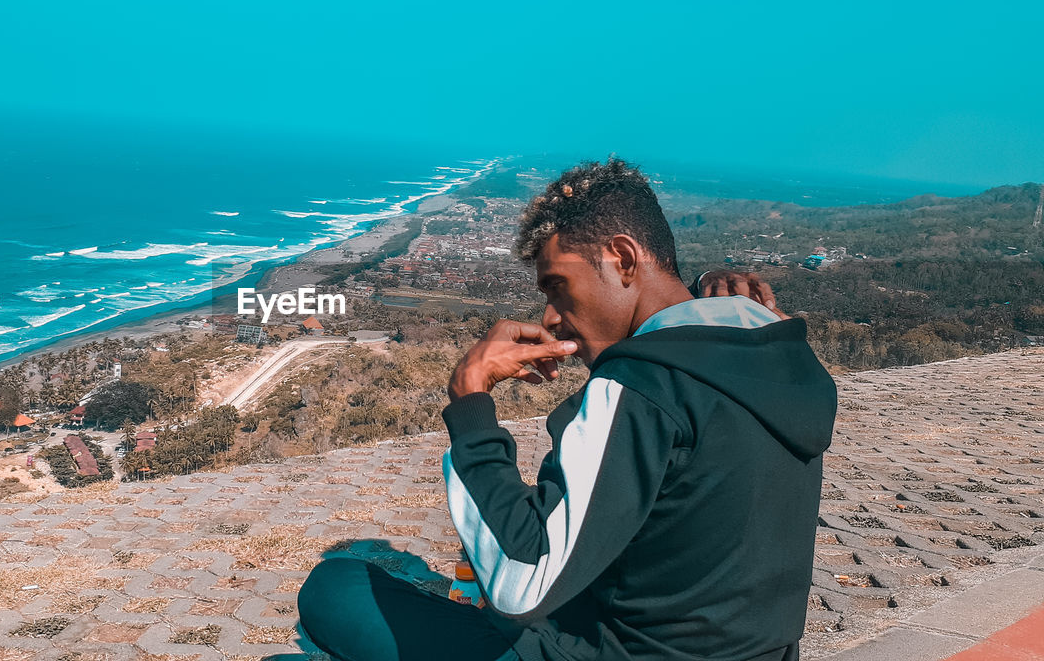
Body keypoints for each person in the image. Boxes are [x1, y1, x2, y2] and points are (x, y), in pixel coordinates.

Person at [298, 159, 837, 661]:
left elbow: (520, 581)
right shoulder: (781, 353)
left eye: (558, 287)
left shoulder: (639, 389)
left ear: (623, 259)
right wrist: (707, 293)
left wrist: (470, 405)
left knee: (334, 588)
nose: (552, 316)